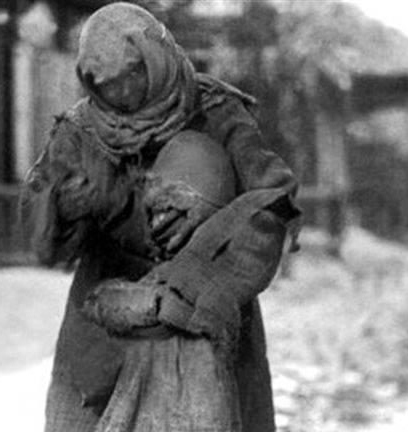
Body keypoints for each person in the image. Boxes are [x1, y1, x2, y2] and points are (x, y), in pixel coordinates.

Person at [21, 3, 301, 432]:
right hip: (108, 328)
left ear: (158, 57)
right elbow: (41, 232)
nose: (125, 92)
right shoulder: (80, 132)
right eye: (108, 85)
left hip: (205, 318)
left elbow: (271, 202)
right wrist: (64, 207)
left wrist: (202, 278)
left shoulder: (216, 110)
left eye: (134, 73)